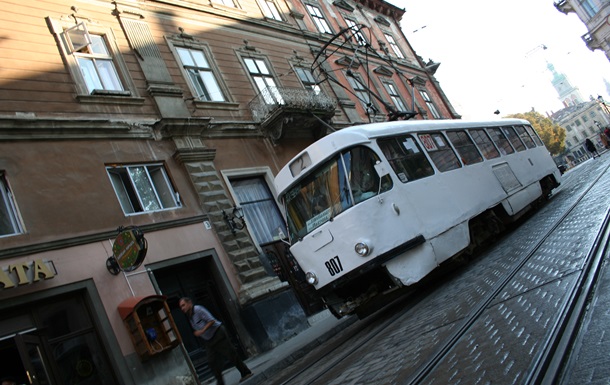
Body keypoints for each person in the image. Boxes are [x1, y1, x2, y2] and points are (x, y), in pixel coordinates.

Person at [179, 297, 253, 385]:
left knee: (231, 354)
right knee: (212, 361)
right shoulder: (189, 316)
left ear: (189, 303)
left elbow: (211, 321)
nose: (182, 308)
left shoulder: (198, 309)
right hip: (209, 340)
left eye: (183, 305)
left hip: (218, 334)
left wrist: (202, 330)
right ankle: (220, 382)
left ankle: (246, 372)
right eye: (181, 307)